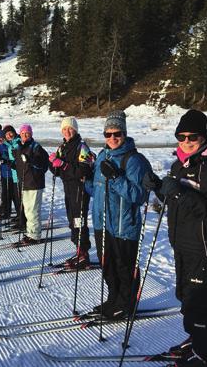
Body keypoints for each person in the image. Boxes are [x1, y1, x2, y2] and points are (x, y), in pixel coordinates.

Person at [143, 109, 207, 367]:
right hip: (182, 243)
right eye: (181, 136)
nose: (186, 141)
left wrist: (181, 194)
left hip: (203, 247)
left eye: (192, 136)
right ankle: (195, 339)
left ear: (204, 136)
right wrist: (157, 188)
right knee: (186, 299)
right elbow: (174, 202)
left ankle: (206, 355)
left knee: (200, 304)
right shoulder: (181, 164)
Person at [85, 111, 150, 319]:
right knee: (108, 266)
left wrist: (115, 177)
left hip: (124, 225)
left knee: (124, 267)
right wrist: (82, 179)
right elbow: (96, 189)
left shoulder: (134, 161)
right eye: (108, 134)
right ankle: (114, 299)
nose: (112, 138)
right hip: (101, 223)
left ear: (124, 133)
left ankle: (126, 303)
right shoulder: (102, 156)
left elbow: (139, 196)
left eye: (117, 133)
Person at [49, 117, 94, 269]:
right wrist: (53, 164)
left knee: (79, 221)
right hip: (68, 189)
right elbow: (57, 171)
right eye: (64, 129)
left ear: (75, 130)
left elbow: (84, 170)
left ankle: (84, 253)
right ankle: (79, 251)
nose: (67, 131)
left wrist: (62, 164)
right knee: (72, 222)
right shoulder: (62, 147)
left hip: (80, 190)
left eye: (70, 129)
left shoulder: (82, 147)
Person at [13, 124, 49, 244]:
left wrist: (31, 160)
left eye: (27, 133)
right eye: (22, 133)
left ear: (31, 134)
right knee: (27, 210)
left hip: (34, 183)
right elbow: (20, 165)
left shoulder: (36, 147)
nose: (24, 135)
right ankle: (30, 232)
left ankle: (35, 235)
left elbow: (44, 164)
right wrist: (10, 164)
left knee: (33, 210)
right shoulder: (19, 147)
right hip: (24, 182)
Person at [3, 125, 24, 228]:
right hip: (15, 175)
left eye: (10, 132)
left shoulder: (18, 142)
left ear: (14, 132)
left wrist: (14, 163)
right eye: (6, 134)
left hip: (21, 175)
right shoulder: (9, 144)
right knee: (17, 198)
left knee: (21, 198)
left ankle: (23, 221)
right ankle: (20, 216)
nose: (9, 135)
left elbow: (21, 157)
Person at [0, 129, 13, 219]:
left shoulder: (7, 146)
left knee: (11, 194)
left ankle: (12, 212)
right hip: (3, 174)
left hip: (11, 174)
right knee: (4, 194)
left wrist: (5, 159)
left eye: (0, 138)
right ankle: (6, 212)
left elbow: (11, 157)